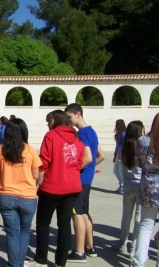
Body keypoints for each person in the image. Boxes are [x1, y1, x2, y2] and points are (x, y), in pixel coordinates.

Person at [26, 110, 90, 267]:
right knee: (64, 224)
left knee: (42, 222)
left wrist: (37, 184)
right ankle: (61, 262)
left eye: (49, 121)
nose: (48, 124)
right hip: (73, 187)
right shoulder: (76, 137)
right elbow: (83, 158)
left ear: (55, 120)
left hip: (52, 187)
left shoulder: (51, 136)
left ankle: (41, 259)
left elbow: (44, 163)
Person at [0, 118, 42, 267]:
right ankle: (18, 263)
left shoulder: (0, 149)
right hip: (27, 196)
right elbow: (35, 174)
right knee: (24, 231)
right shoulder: (30, 150)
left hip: (6, 195)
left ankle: (14, 264)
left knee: (12, 232)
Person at [65, 103, 105, 263]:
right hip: (87, 179)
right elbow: (101, 155)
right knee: (84, 212)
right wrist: (89, 170)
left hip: (80, 180)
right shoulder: (92, 131)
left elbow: (88, 157)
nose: (68, 121)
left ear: (78, 114)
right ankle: (90, 247)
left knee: (77, 214)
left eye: (70, 117)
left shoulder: (81, 134)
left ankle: (79, 252)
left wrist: (75, 170)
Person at [132, 112, 159, 266]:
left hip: (147, 187)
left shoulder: (143, 141)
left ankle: (138, 262)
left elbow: (138, 162)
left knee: (146, 225)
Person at [114, 121, 144, 258]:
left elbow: (120, 164)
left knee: (126, 216)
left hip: (127, 185)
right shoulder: (142, 147)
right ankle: (134, 248)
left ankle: (122, 243)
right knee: (139, 218)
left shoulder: (124, 147)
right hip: (140, 185)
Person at [113, 119, 126, 194]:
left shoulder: (124, 134)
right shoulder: (120, 134)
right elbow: (117, 146)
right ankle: (121, 184)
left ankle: (123, 186)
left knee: (121, 171)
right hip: (118, 154)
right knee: (115, 170)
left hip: (122, 155)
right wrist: (115, 155)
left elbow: (123, 146)